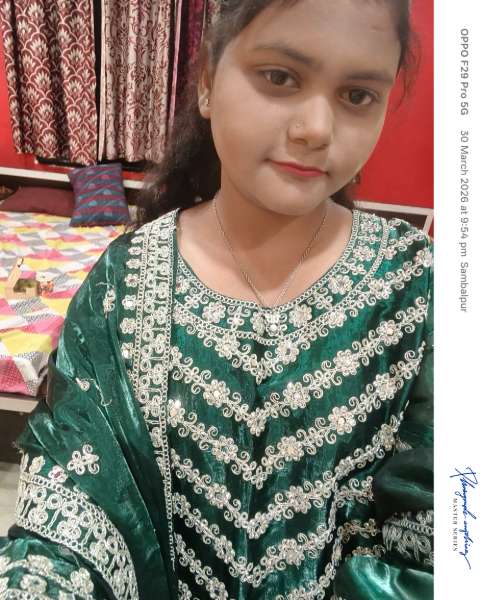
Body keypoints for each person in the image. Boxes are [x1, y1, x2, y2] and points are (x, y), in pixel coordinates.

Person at [0, 1, 433, 598]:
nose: (316, 128)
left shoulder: (413, 284)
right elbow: (69, 500)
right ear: (206, 81)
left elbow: (440, 530)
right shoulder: (124, 282)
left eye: (358, 95)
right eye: (280, 77)